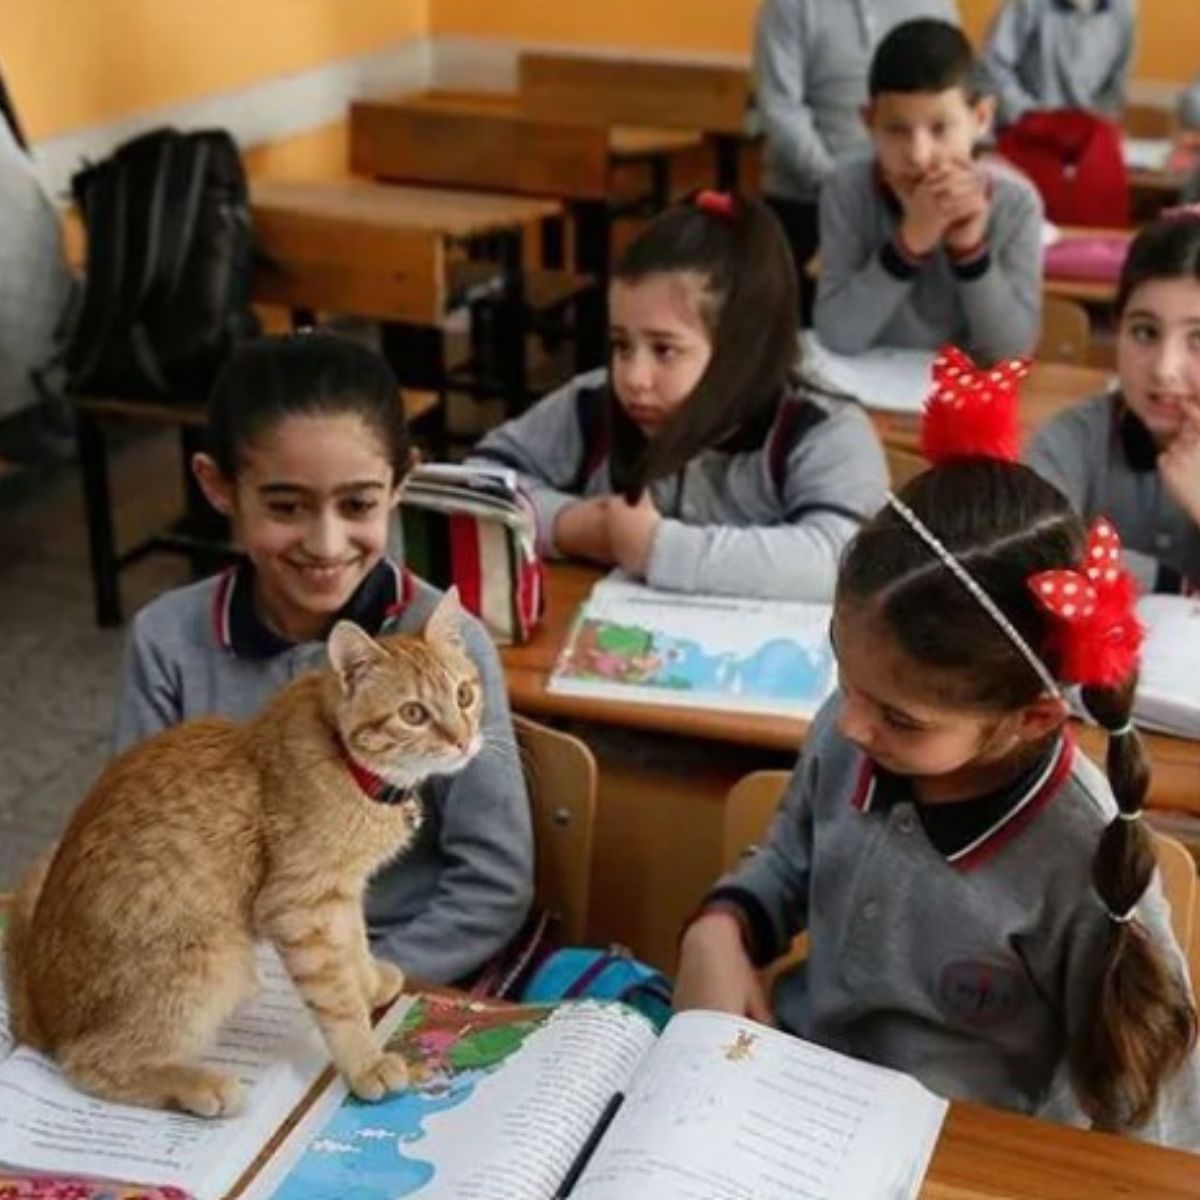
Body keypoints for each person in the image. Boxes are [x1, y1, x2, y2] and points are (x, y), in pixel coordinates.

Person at [675, 348, 1200, 1149]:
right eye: (843, 676)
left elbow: (1137, 1100)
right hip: (796, 1101)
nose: (850, 724)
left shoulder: (1085, 855)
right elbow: (787, 858)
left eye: (900, 717)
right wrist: (723, 925)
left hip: (968, 1153)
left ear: (1029, 718)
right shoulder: (858, 727)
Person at [112, 332, 533, 985]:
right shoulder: (166, 641)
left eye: (358, 504)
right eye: (285, 506)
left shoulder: (449, 645)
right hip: (218, 977)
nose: (326, 542)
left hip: (397, 969)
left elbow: (493, 886)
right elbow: (133, 852)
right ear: (218, 487)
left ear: (401, 484)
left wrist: (358, 987)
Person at [470, 193, 887, 603]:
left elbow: (846, 558)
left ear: (740, 350)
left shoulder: (823, 431)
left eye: (664, 349)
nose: (634, 377)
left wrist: (656, 548)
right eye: (621, 345)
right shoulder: (591, 404)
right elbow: (475, 483)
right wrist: (572, 526)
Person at [814, 18, 1043, 364]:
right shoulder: (846, 192)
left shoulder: (1016, 203)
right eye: (896, 130)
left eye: (940, 129)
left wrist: (969, 251)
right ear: (868, 122)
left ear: (981, 118)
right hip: (871, 394)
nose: (919, 156)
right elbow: (836, 335)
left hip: (967, 403)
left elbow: (1011, 352)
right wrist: (910, 243)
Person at [751, 0, 961, 320]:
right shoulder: (789, 6)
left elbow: (950, 96)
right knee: (807, 344)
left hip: (912, 200)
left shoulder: (934, 4)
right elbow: (779, 109)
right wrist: (845, 191)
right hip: (807, 203)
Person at [1027, 212, 1200, 594]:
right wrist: (1176, 584)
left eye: (1197, 341)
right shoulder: (1070, 439)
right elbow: (1028, 552)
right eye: (1144, 332)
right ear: (1117, 328)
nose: (1164, 370)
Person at [981, 0, 1138, 128]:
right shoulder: (1026, 4)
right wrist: (1031, 117)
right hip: (1023, 132)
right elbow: (993, 65)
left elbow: (1117, 83)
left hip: (1083, 139)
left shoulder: (1124, 7)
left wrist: (1092, 127)